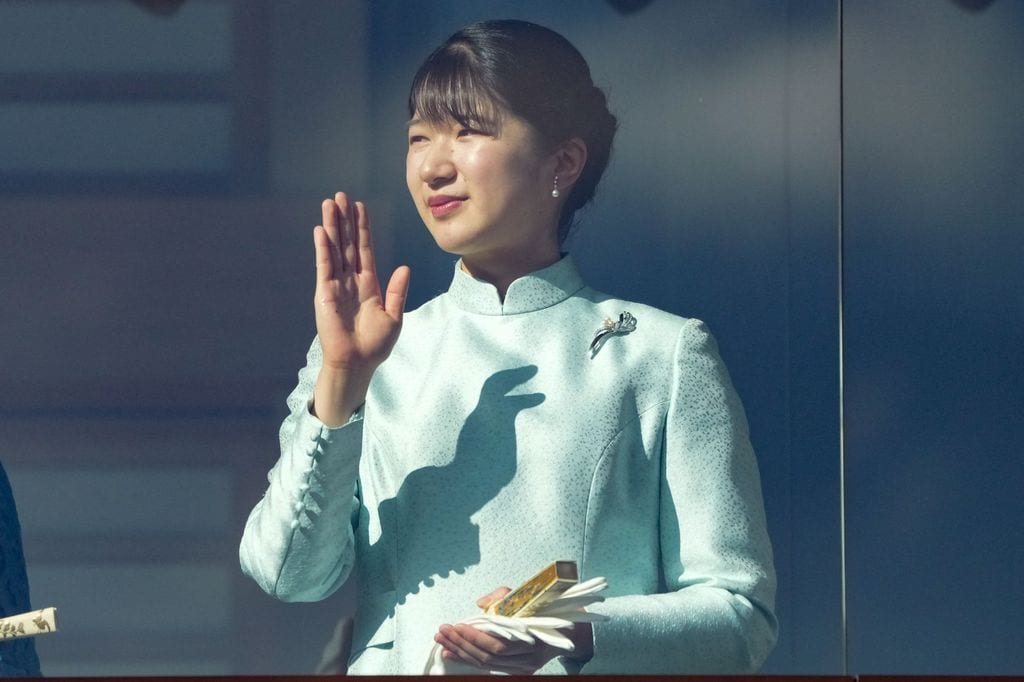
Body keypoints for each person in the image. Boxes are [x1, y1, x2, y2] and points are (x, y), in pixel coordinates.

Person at [240, 19, 776, 675]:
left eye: (469, 132)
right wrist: (341, 387)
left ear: (563, 162)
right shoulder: (369, 351)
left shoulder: (659, 355)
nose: (434, 165)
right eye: (418, 138)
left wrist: (574, 632)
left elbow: (740, 617)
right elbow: (288, 574)